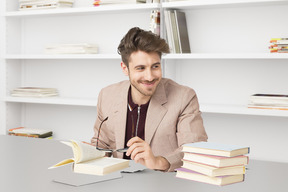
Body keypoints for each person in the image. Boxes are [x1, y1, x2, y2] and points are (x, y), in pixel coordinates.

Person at [91, 27, 208, 172]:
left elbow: (195, 150)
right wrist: (89, 152)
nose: (150, 76)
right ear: (125, 68)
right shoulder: (107, 95)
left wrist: (158, 162)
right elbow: (102, 144)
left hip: (165, 183)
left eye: (155, 66)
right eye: (140, 68)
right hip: (118, 182)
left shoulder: (184, 97)